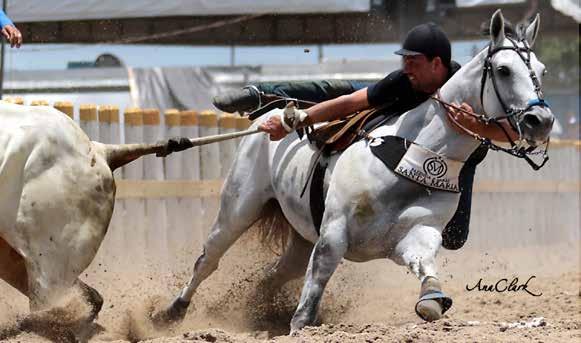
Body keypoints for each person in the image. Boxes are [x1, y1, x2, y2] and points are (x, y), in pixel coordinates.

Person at [213, 22, 515, 250]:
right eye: (405, 61)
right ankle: (260, 95)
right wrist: (298, 121)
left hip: (458, 163)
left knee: (454, 238)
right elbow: (349, 104)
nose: (405, 67)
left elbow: (513, 131)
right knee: (337, 90)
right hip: (398, 118)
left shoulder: (468, 87)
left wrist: (475, 126)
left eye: (414, 62)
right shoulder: (403, 81)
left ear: (437, 64)